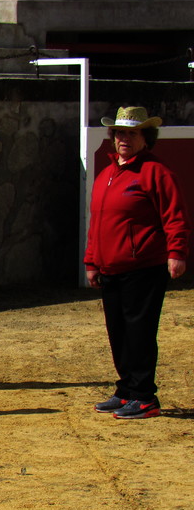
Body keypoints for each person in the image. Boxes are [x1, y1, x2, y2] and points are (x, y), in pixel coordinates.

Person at [86, 106, 189, 419]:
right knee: (118, 331)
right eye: (119, 133)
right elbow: (98, 222)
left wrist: (177, 253)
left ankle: (144, 397)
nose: (123, 139)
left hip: (143, 265)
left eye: (131, 133)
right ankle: (127, 389)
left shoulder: (156, 172)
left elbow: (175, 215)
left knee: (139, 332)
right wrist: (91, 261)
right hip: (111, 267)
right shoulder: (107, 174)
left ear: (146, 137)